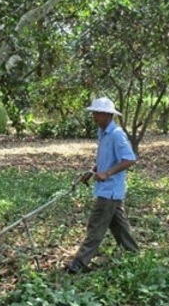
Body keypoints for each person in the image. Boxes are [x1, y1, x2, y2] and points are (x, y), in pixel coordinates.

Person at [66, 97, 139, 274]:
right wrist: (92, 171)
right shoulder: (103, 133)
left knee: (96, 226)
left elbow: (129, 159)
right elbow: (105, 160)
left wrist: (107, 173)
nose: (94, 117)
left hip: (110, 191)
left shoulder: (116, 134)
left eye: (97, 113)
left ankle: (78, 264)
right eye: (94, 113)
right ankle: (134, 255)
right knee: (119, 227)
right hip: (108, 191)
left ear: (107, 115)